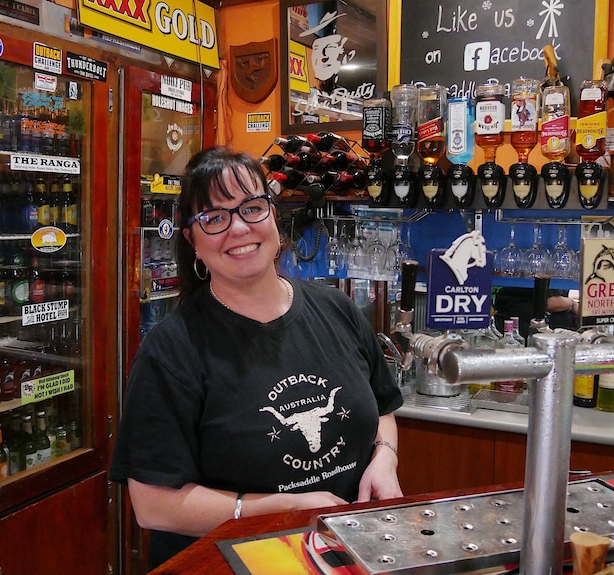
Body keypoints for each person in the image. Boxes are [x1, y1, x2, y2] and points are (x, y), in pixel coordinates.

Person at [109, 147, 404, 569]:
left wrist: (385, 458)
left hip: (344, 553)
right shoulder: (172, 351)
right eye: (214, 218)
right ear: (192, 240)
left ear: (273, 216)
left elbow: (382, 408)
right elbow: (154, 506)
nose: (239, 228)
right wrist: (280, 507)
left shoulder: (336, 309)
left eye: (251, 208)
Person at [493, 286, 580, 337]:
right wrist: (572, 304)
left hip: (549, 333)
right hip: (523, 330)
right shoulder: (543, 266)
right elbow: (551, 303)